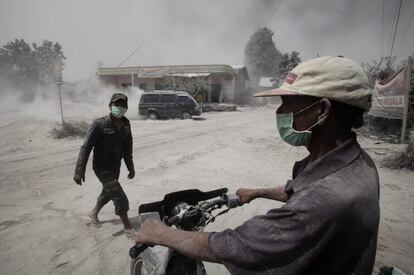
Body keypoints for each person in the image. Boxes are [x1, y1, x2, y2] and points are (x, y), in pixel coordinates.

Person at [135, 56, 380, 274]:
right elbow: (305, 190)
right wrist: (259, 192)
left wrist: (161, 233)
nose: (280, 112)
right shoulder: (357, 163)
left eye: (287, 103)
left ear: (321, 111)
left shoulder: (324, 200)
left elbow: (238, 246)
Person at [74, 93, 135, 237]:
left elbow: (128, 148)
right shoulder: (99, 124)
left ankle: (93, 212)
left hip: (115, 166)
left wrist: (130, 167)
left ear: (126, 108)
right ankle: (128, 227)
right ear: (110, 106)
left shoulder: (126, 124)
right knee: (119, 197)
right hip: (102, 167)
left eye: (122, 105)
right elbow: (86, 147)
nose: (119, 108)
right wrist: (79, 171)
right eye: (116, 105)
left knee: (108, 192)